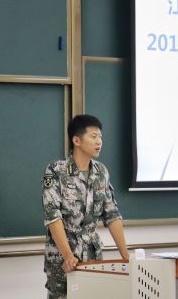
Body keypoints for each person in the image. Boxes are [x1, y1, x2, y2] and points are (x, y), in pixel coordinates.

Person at [42, 115, 129, 299]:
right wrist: (68, 255)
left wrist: (126, 255)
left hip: (93, 256)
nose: (99, 142)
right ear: (76, 140)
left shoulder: (101, 172)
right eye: (93, 136)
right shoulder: (56, 171)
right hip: (62, 259)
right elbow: (53, 216)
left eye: (100, 137)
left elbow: (112, 215)